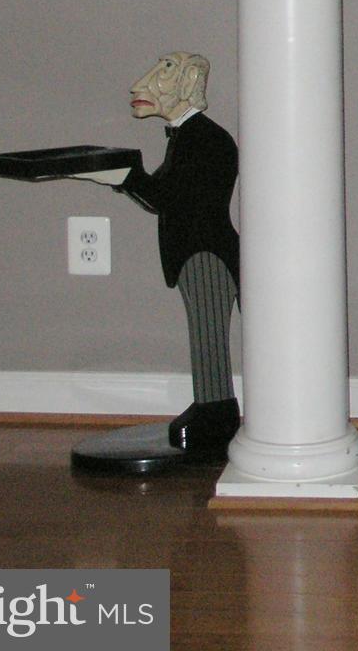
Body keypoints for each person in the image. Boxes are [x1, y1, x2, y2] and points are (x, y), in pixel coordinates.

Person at [118, 52, 241, 457]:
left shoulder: (205, 140)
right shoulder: (187, 138)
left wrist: (121, 176)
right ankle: (209, 406)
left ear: (188, 82)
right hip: (194, 253)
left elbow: (166, 197)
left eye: (167, 70)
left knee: (208, 335)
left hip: (205, 255)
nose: (145, 84)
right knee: (203, 333)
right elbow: (163, 194)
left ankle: (216, 413)